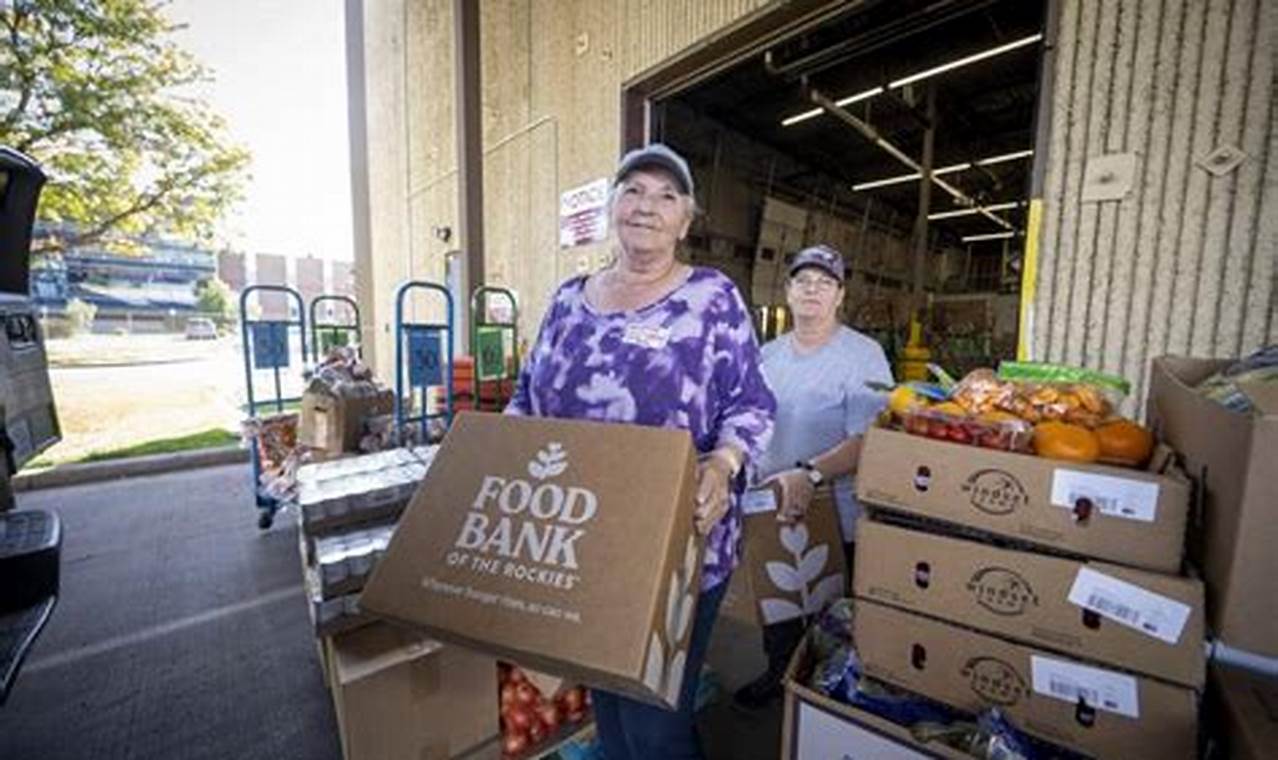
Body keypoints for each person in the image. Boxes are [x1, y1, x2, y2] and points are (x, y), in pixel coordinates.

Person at [505, 143, 776, 759]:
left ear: (687, 219)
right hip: (579, 542)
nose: (646, 206)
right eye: (632, 190)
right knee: (608, 700)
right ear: (611, 209)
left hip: (677, 547)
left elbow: (752, 402)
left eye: (666, 195)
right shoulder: (567, 301)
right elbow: (527, 398)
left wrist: (725, 461)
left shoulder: (713, 299)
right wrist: (497, 461)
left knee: (655, 721)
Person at [733, 244, 893, 709]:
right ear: (787, 292)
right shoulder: (768, 355)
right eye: (803, 281)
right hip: (771, 506)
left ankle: (825, 700)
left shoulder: (863, 355)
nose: (812, 290)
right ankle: (778, 678)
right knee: (778, 606)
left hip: (834, 510)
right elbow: (749, 421)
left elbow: (870, 438)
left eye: (825, 283)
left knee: (830, 613)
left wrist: (810, 474)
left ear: (839, 296)